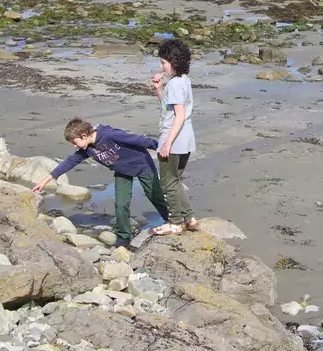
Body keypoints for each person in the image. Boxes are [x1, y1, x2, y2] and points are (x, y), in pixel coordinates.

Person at [32, 118, 170, 245]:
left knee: (155, 196)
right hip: (122, 171)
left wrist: (163, 147)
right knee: (121, 203)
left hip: (142, 165)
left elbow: (139, 140)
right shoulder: (87, 149)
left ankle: (173, 220)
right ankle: (124, 237)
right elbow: (69, 162)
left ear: (84, 136)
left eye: (75, 142)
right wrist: (45, 181)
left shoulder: (110, 135)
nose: (75, 146)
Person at [151, 37, 199, 236]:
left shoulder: (177, 84)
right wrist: (159, 88)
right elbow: (169, 107)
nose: (161, 67)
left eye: (163, 63)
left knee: (168, 183)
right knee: (176, 180)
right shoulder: (182, 81)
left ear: (174, 62)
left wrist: (167, 144)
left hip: (174, 141)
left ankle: (175, 223)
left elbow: (178, 116)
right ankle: (189, 218)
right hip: (186, 140)